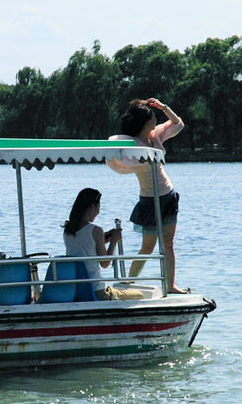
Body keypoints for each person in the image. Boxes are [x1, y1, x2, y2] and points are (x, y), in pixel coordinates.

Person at [110, 98, 187, 293]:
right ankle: (128, 283)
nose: (156, 117)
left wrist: (163, 107)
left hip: (168, 195)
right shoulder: (132, 144)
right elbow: (116, 158)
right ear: (146, 122)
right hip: (149, 199)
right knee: (148, 247)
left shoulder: (156, 135)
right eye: (153, 115)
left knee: (168, 244)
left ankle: (170, 286)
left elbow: (178, 124)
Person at [63, 188, 121, 293]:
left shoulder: (68, 230)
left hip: (77, 289)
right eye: (99, 207)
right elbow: (104, 263)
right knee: (139, 295)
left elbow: (84, 248)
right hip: (96, 290)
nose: (98, 211)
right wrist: (113, 241)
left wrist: (102, 241)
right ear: (92, 207)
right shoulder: (96, 230)